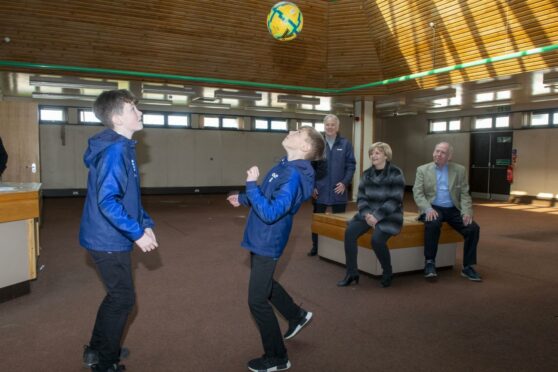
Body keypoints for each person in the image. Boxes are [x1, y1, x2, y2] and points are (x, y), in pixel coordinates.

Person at [227, 126, 325, 372]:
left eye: (298, 132)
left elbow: (271, 212)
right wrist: (243, 197)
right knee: (265, 282)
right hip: (260, 236)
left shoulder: (293, 174)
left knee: (257, 300)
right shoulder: (285, 164)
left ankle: (277, 357)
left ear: (304, 147)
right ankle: (296, 315)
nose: (292, 131)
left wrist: (250, 184)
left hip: (267, 239)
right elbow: (269, 196)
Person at [79, 89, 159, 372]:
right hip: (108, 239)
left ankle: (98, 349)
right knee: (124, 300)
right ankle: (106, 363)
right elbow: (108, 201)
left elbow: (129, 198)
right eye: (132, 110)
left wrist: (145, 223)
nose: (140, 113)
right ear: (116, 118)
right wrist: (136, 233)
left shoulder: (121, 146)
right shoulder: (115, 150)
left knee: (116, 296)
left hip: (106, 236)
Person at [337, 142, 405, 288]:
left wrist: (377, 216)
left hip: (389, 215)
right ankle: (352, 273)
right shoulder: (366, 174)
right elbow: (361, 198)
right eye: (372, 153)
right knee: (349, 232)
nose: (373, 156)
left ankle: (387, 272)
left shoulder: (395, 173)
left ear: (386, 155)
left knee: (377, 240)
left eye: (377, 153)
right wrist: (368, 214)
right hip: (368, 214)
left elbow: (395, 199)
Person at [413, 141, 482, 282]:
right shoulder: (422, 170)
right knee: (433, 223)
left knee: (473, 228)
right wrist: (427, 209)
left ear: (449, 156)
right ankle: (430, 263)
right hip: (433, 206)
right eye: (436, 151)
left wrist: (467, 211)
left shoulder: (460, 170)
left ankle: (468, 266)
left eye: (442, 152)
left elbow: (464, 194)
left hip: (453, 208)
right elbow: (417, 193)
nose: (438, 154)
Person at [308, 114, 356, 256]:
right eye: (327, 124)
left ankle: (339, 248)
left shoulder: (345, 144)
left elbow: (351, 165)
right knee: (318, 221)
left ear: (338, 127)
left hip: (338, 189)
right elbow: (310, 167)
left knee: (340, 221)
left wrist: (345, 182)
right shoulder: (317, 144)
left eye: (333, 124)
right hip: (320, 190)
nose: (330, 127)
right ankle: (316, 246)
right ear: (324, 126)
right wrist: (312, 186)